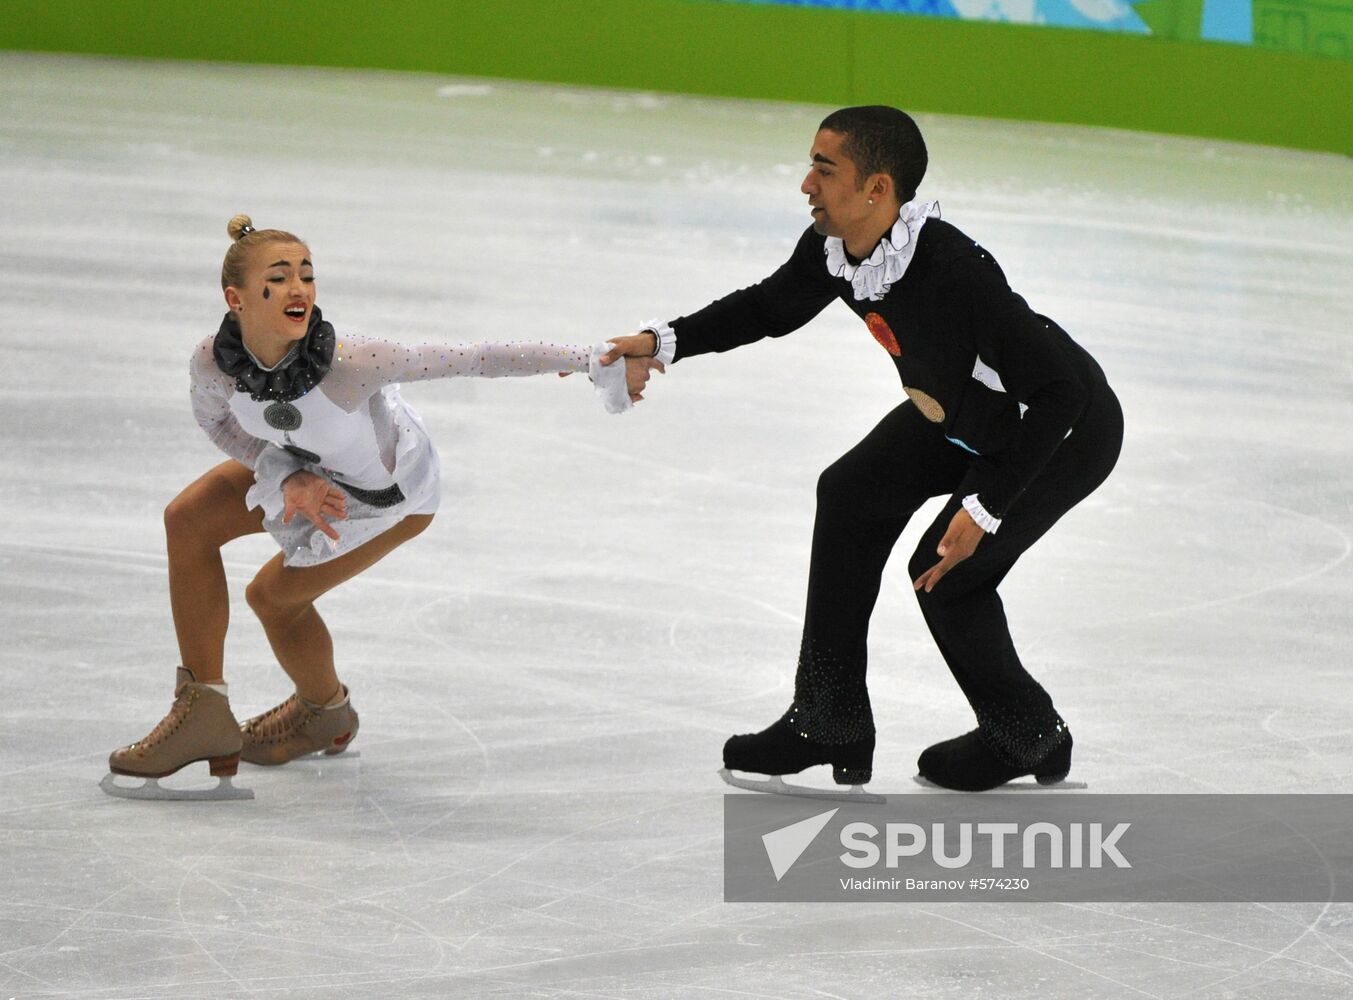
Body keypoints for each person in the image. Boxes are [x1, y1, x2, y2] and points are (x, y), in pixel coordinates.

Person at [604, 106, 1124, 792]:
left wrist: (988, 508)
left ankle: (1029, 736)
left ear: (878, 189)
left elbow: (1060, 394)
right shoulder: (837, 247)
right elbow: (768, 308)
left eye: (825, 170)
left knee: (945, 573)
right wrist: (662, 341)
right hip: (957, 416)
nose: (806, 186)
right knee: (851, 493)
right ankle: (829, 719)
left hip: (1055, 433)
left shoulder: (957, 271)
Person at [102, 215, 650, 800]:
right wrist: (288, 476)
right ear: (236, 299)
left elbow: (474, 357)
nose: (300, 290)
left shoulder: (351, 364)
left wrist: (590, 359)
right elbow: (219, 426)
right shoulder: (215, 362)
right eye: (281, 277)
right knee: (187, 520)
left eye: (307, 277)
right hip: (306, 467)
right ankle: (203, 710)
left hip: (386, 498)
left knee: (273, 600)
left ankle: (324, 712)